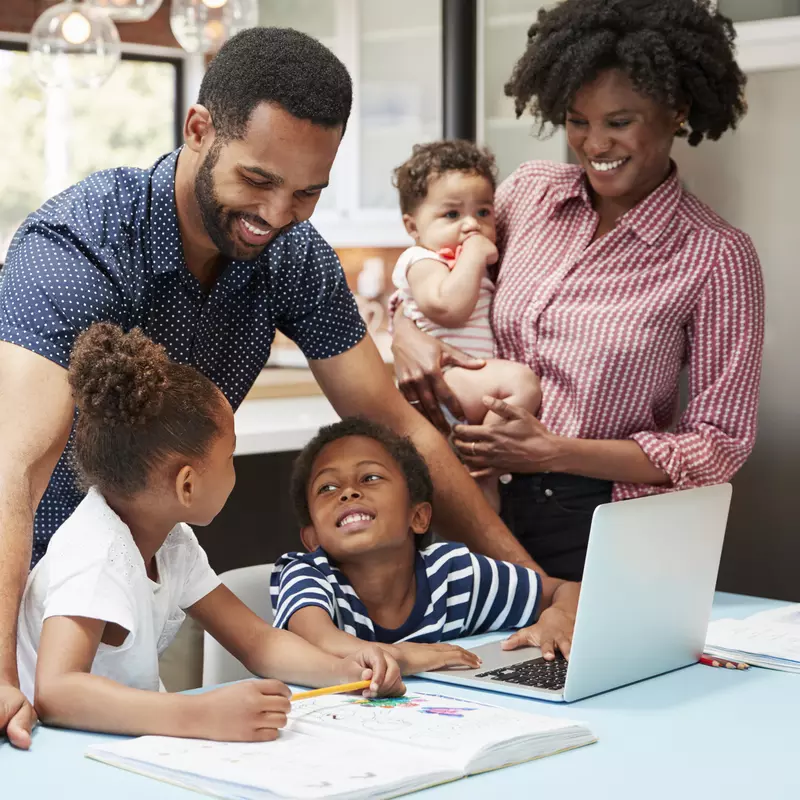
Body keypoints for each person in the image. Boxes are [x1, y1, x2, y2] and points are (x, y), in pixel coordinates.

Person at [0, 27, 554, 749]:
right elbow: (18, 467)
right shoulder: (82, 243)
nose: (276, 216)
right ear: (199, 129)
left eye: (307, 193)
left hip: (133, 618)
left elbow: (398, 427)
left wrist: (536, 592)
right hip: (29, 607)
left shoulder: (291, 257)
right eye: (258, 181)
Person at [392, 0, 764, 582]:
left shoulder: (716, 255)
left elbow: (718, 445)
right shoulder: (528, 194)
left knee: (569, 671)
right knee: (466, 668)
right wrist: (403, 330)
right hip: (468, 487)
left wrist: (553, 450)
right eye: (576, 120)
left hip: (590, 515)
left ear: (676, 112)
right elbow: (444, 275)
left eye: (619, 122)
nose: (593, 144)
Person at [17, 324, 404, 741]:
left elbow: (257, 642)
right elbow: (57, 692)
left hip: (121, 743)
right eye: (230, 455)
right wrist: (198, 714)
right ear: (187, 485)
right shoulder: (95, 550)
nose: (233, 470)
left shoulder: (171, 542)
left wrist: (348, 672)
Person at [270, 418, 580, 670]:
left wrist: (558, 616)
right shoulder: (307, 574)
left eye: (370, 478)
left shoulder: (455, 574)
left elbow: (568, 590)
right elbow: (319, 640)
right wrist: (401, 655)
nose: (348, 493)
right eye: (327, 486)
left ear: (417, 516)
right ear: (312, 539)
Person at [391, 141, 542, 508]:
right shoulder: (422, 259)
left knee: (481, 501)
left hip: (466, 383)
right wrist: (475, 254)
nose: (471, 224)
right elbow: (447, 307)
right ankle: (483, 447)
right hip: (444, 377)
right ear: (413, 226)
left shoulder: (461, 262)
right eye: (451, 215)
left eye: (483, 211)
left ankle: (481, 549)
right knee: (522, 382)